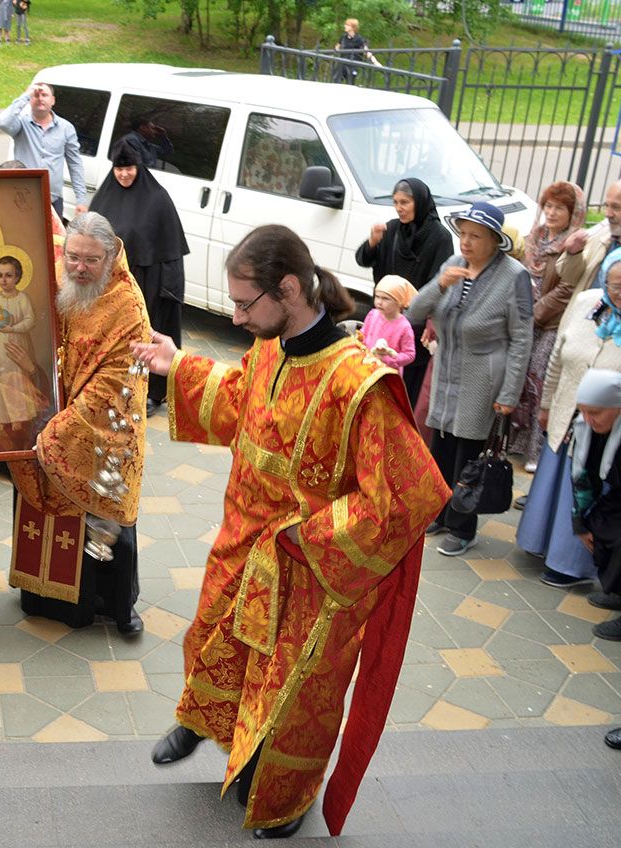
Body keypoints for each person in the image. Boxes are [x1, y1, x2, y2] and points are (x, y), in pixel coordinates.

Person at [134, 224, 449, 840]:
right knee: (213, 638)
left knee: (295, 688)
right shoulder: (272, 347)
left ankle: (282, 791)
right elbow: (240, 397)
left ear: (288, 289)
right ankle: (208, 724)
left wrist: (315, 535)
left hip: (310, 570)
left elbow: (410, 495)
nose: (234, 315)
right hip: (240, 542)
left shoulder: (359, 384)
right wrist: (178, 364)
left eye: (244, 303)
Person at [8, 212, 147, 631]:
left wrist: (63, 428)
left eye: (91, 261)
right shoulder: (55, 279)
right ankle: (39, 597)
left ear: (110, 255)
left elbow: (117, 381)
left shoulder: (127, 306)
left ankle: (112, 605)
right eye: (73, 258)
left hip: (97, 426)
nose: (79, 269)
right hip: (48, 411)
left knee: (103, 499)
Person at [408, 202, 534, 557]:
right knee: (441, 448)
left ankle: (463, 528)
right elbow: (415, 311)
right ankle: (442, 513)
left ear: (494, 240)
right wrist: (440, 285)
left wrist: (510, 392)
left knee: (468, 454)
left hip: (484, 375)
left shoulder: (514, 276)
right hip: (446, 371)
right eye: (462, 233)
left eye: (475, 236)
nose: (466, 241)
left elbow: (522, 337)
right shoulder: (453, 265)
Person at [518, 260, 621, 588]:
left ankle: (576, 566)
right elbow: (558, 357)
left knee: (592, 488)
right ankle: (540, 545)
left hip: (608, 429)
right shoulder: (586, 302)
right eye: (614, 283)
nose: (618, 292)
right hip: (567, 411)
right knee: (557, 484)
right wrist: (547, 403)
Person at [88, 141, 188, 414]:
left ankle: (153, 392)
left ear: (139, 167)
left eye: (129, 168)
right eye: (119, 169)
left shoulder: (158, 199)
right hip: (113, 286)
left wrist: (170, 291)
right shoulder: (104, 197)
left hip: (149, 286)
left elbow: (172, 252)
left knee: (148, 336)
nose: (123, 174)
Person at [354, 177, 453, 406]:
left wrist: (429, 319)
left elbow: (440, 284)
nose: (399, 208)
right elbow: (363, 259)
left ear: (419, 202)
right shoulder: (392, 229)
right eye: (396, 202)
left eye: (405, 202)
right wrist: (373, 242)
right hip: (385, 317)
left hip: (414, 324)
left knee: (406, 389)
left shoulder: (439, 237)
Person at [509, 181, 587, 469]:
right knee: (519, 378)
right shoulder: (536, 236)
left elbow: (567, 287)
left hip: (551, 323)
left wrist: (534, 312)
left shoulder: (575, 244)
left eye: (560, 208)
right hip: (523, 318)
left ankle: (536, 450)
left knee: (540, 383)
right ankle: (516, 442)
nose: (552, 213)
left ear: (573, 212)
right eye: (549, 206)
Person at [0, 254, 49, 451]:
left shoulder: (22, 298)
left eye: (8, 275)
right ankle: (2, 417)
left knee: (16, 379)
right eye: (0, 276)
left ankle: (18, 417)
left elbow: (30, 320)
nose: (4, 280)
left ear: (17, 277)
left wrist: (13, 329)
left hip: (17, 343)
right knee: (0, 380)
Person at [568, 369, 621, 643]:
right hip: (615, 498)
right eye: (584, 412)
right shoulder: (585, 427)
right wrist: (580, 522)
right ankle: (617, 592)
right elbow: (581, 479)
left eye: (596, 413)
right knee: (599, 526)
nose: (589, 420)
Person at [0, 82, 87, 219]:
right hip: (23, 200)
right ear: (30, 100)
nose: (40, 98)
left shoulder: (66, 128)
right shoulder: (20, 124)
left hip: (53, 200)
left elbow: (74, 163)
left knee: (54, 239)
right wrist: (25, 96)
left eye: (44, 95)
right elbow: (3, 123)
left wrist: (81, 199)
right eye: (36, 95)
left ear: (53, 100)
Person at [554, 179, 621, 302]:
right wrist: (574, 254)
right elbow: (571, 277)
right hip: (584, 319)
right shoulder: (602, 234)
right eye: (607, 206)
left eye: (616, 207)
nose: (608, 214)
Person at [360, 275, 417, 376]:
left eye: (385, 299)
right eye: (377, 297)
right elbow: (363, 335)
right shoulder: (373, 314)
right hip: (366, 368)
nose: (379, 302)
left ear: (399, 302)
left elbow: (410, 354)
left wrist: (389, 359)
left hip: (388, 375)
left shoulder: (404, 326)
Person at [332, 18, 378, 83]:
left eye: (347, 25)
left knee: (350, 83)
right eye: (345, 24)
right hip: (342, 63)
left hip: (352, 65)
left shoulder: (358, 38)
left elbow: (366, 51)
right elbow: (337, 47)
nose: (345, 26)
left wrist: (375, 62)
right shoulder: (343, 37)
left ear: (353, 28)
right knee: (336, 81)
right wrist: (335, 51)